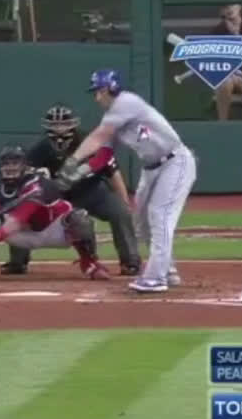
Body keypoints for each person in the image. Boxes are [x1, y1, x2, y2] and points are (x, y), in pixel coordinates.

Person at [56, 69, 196, 293]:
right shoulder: (114, 116)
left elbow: (98, 136)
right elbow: (103, 155)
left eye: (99, 91)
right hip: (151, 169)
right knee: (142, 220)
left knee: (160, 215)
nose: (97, 97)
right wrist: (79, 172)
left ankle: (156, 277)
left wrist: (73, 160)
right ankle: (167, 270)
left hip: (175, 162)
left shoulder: (126, 102)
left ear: (110, 89)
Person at [0, 103, 141, 276]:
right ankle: (18, 262)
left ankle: (130, 261)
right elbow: (27, 177)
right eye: (55, 124)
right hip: (59, 195)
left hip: (93, 191)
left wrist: (124, 201)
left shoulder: (91, 144)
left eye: (64, 124)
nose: (59, 128)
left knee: (120, 212)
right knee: (23, 210)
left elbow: (113, 172)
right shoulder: (41, 148)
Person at [0, 144, 111, 280]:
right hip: (26, 233)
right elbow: (13, 221)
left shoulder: (36, 185)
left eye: (15, 163)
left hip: (55, 231)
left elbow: (19, 219)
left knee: (80, 219)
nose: (10, 167)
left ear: (24, 166)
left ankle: (89, 263)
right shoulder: (3, 190)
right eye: (6, 163)